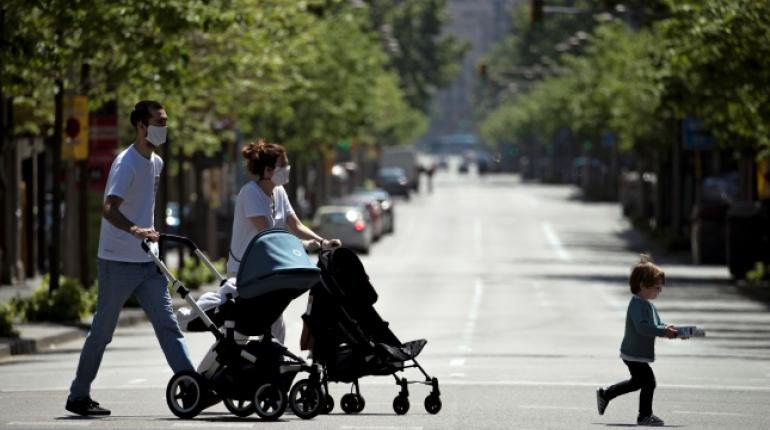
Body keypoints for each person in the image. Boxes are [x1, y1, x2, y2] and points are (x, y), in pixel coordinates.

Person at [66, 100, 195, 416]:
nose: (164, 127)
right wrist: (134, 229)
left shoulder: (157, 163)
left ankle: (192, 386)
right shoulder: (127, 163)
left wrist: (148, 233)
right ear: (140, 125)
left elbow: (144, 205)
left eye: (165, 121)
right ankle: (78, 396)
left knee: (167, 325)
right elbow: (109, 208)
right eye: (158, 121)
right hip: (117, 261)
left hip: (148, 261)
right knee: (102, 332)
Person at [227, 140, 341, 343]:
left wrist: (322, 242)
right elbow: (269, 236)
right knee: (241, 333)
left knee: (275, 329)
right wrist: (303, 246)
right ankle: (207, 372)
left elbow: (296, 225)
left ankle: (267, 371)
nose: (288, 169)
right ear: (269, 170)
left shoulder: (279, 192)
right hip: (244, 273)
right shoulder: (250, 193)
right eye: (284, 164)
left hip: (267, 272)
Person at [596, 254, 678, 426]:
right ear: (642, 285)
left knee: (636, 383)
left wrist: (670, 329)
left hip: (636, 352)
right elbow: (643, 327)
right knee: (649, 382)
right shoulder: (637, 304)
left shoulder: (647, 304)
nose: (659, 292)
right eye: (656, 288)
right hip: (633, 352)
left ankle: (606, 394)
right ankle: (644, 416)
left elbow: (657, 324)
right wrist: (664, 332)